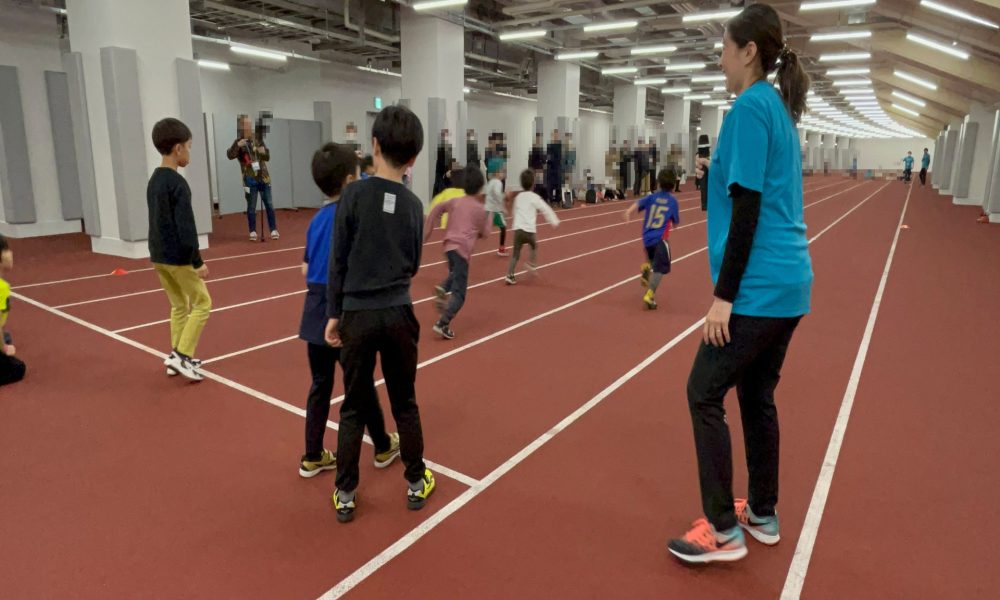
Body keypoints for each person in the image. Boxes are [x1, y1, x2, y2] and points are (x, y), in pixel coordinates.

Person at [666, 3, 813, 564]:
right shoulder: (773, 107)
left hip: (758, 289)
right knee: (756, 393)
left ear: (749, 51)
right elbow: (744, 195)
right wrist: (713, 179)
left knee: (702, 391)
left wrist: (723, 299)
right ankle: (765, 514)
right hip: (789, 286)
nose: (720, 58)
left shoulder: (750, 108)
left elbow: (749, 209)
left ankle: (722, 529)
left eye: (724, 48)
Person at [325, 105, 434, 523]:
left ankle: (346, 493)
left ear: (372, 146)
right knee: (405, 401)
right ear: (413, 159)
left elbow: (339, 260)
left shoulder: (351, 195)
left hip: (357, 313)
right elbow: (415, 263)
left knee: (353, 405)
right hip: (398, 312)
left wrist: (335, 313)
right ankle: (415, 482)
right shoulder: (412, 205)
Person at [298, 142, 400, 478]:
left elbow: (305, 268)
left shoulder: (315, 221)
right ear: (347, 181)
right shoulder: (352, 217)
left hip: (314, 307)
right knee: (359, 383)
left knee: (320, 384)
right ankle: (383, 445)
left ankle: (312, 454)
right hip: (342, 307)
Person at [148, 118, 212, 382]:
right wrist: (197, 261)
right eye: (189, 146)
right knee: (203, 304)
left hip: (158, 256)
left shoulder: (154, 180)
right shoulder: (177, 184)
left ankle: (176, 357)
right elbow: (186, 227)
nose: (189, 152)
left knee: (178, 306)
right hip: (178, 258)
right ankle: (182, 356)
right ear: (177, 149)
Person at [424, 164, 490, 340]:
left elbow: (436, 209)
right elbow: (486, 233)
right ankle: (442, 323)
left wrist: (426, 232)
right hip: (462, 249)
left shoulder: (455, 201)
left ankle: (443, 287)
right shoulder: (479, 208)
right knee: (460, 294)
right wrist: (488, 214)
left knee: (455, 273)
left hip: (448, 248)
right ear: (480, 187)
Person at [623, 168, 681, 310]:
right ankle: (650, 294)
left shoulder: (651, 197)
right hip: (661, 239)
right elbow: (676, 223)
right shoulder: (672, 202)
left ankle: (646, 267)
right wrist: (674, 224)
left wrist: (628, 212)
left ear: (658, 183)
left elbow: (637, 203)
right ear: (673, 186)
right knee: (660, 268)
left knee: (652, 259)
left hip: (647, 238)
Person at [227, 114, 279, 241]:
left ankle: (273, 229)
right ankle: (252, 231)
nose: (249, 127)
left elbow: (267, 156)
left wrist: (263, 152)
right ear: (241, 127)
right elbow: (230, 155)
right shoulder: (238, 142)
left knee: (269, 204)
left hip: (263, 177)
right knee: (251, 206)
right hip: (249, 179)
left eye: (250, 124)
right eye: (246, 124)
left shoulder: (258, 139)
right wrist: (238, 145)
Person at [505, 169, 561, 285]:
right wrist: (554, 221)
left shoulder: (518, 197)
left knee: (516, 254)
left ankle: (510, 275)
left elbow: (514, 212)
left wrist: (516, 222)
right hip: (529, 231)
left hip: (518, 230)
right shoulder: (534, 197)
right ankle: (531, 263)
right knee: (534, 246)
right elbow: (545, 209)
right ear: (533, 184)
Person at [0, 235, 26, 387]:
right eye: (6, 249)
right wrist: (3, 348)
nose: (11, 253)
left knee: (7, 336)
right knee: (18, 368)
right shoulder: (1, 287)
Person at [485, 166, 509, 256]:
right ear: (497, 173)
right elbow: (497, 194)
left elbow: (490, 194)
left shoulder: (491, 182)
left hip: (488, 209)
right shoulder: (498, 182)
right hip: (495, 210)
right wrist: (505, 197)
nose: (504, 175)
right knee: (503, 227)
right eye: (503, 172)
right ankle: (501, 249)